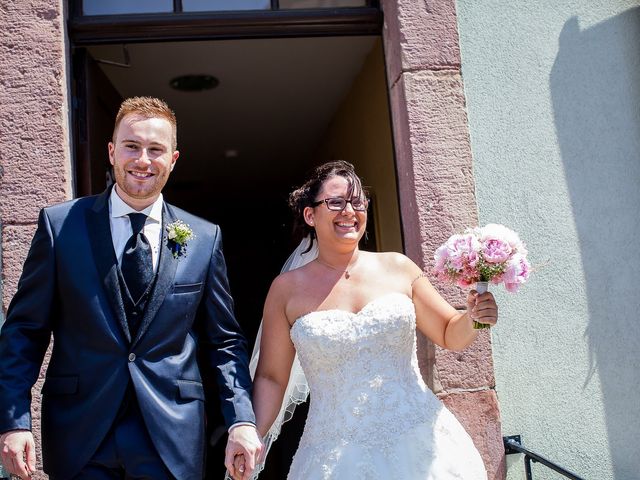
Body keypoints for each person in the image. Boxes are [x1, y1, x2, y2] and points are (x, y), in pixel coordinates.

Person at [0, 96, 262, 480]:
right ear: (111, 151)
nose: (143, 160)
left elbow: (223, 342)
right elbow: (25, 330)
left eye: (156, 149)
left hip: (171, 434)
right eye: (132, 146)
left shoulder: (204, 238)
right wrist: (13, 419)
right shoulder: (60, 227)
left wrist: (241, 420)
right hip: (80, 432)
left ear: (173, 159)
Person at [244, 160, 496, 479]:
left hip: (419, 443)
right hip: (334, 455)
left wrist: (474, 317)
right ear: (310, 215)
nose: (349, 211)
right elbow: (271, 378)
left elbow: (449, 333)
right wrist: (253, 433)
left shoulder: (399, 267)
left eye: (358, 201)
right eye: (336, 202)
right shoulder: (286, 290)